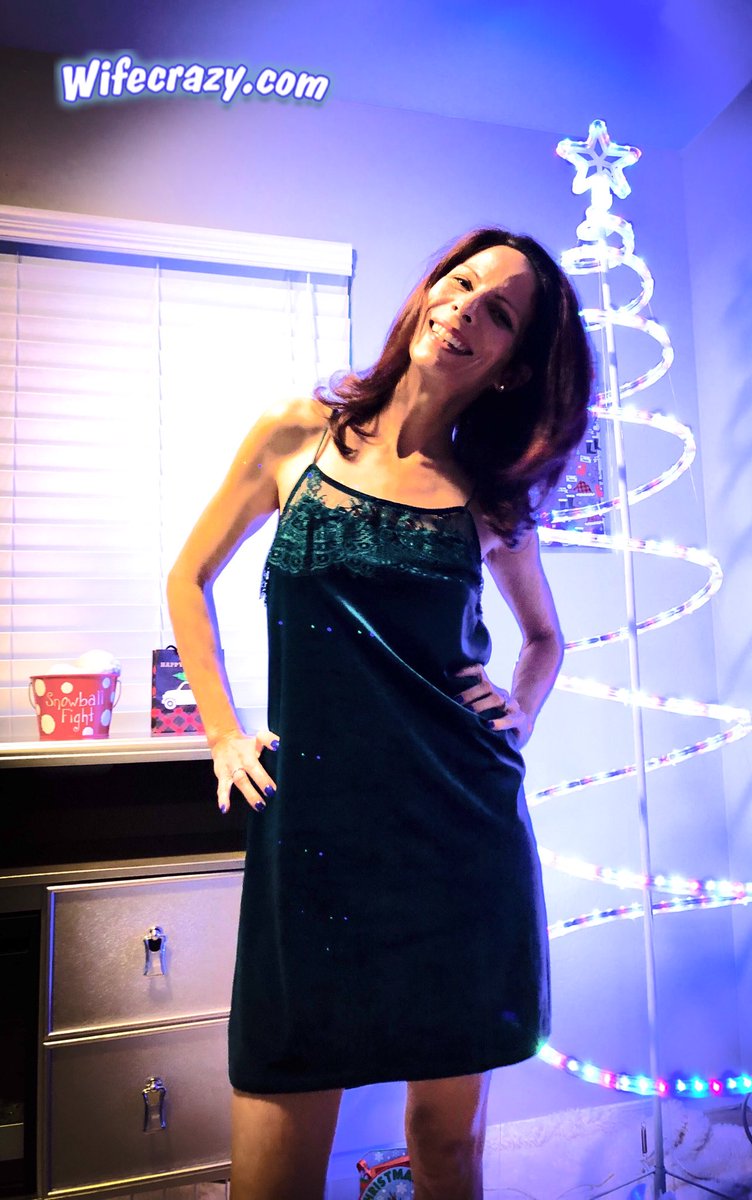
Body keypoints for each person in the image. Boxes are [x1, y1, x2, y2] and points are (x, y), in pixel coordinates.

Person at [166, 227, 593, 1200]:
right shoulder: (296, 432)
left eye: (499, 312)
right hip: (312, 839)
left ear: (512, 364)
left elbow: (544, 638)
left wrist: (519, 712)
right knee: (273, 1165)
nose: (466, 309)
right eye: (462, 282)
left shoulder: (488, 498)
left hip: (457, 842)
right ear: (429, 289)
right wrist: (222, 732)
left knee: (446, 1149)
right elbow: (188, 578)